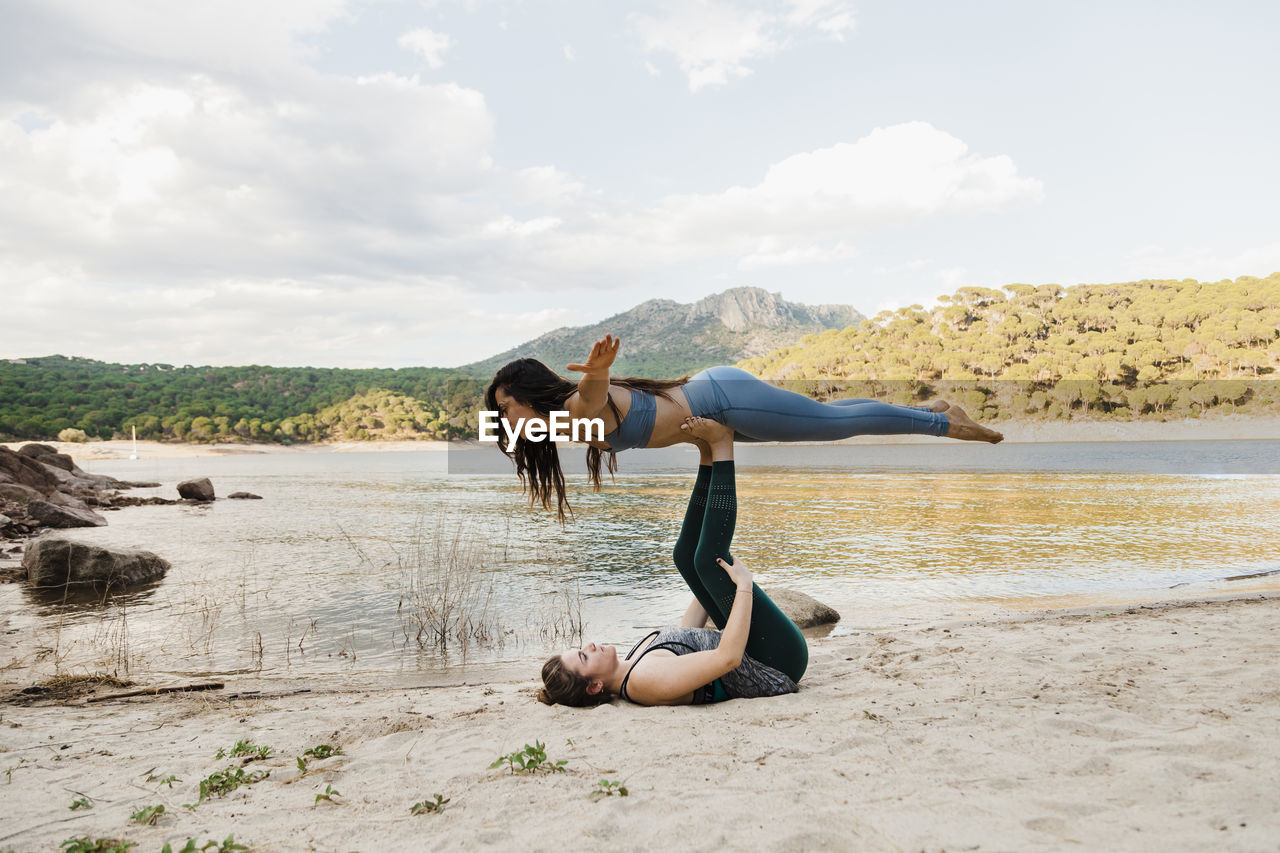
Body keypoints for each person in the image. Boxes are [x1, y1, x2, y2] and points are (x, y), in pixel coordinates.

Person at [485, 334, 1002, 520]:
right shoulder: (557, 427)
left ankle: (942, 422)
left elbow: (592, 396)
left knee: (833, 425)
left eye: (507, 407)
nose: (505, 420)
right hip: (722, 404)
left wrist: (597, 372)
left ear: (530, 397)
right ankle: (932, 406)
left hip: (725, 399)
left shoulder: (575, 408)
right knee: (834, 416)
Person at [538, 417, 807, 706]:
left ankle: (707, 453)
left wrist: (705, 582)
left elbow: (686, 636)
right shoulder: (645, 682)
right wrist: (742, 584)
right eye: (583, 656)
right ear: (595, 686)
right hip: (776, 662)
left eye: (581, 648)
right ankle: (721, 445)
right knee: (707, 559)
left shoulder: (633, 664)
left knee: (686, 558)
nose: (589, 645)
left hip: (758, 650)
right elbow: (728, 659)